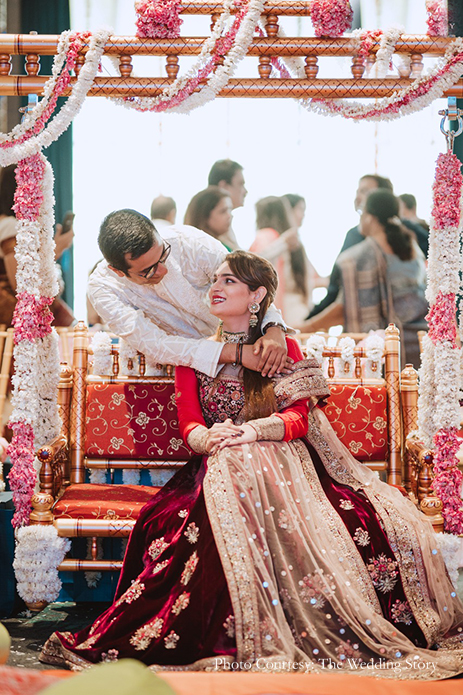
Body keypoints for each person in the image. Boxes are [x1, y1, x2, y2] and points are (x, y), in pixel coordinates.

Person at [41, 250, 463, 678]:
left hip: (287, 462)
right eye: (215, 281)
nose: (215, 288)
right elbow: (189, 420)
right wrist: (211, 437)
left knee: (354, 516)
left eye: (228, 282)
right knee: (179, 520)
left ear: (257, 295)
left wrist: (253, 432)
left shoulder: (284, 347)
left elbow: (300, 417)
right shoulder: (199, 353)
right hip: (219, 461)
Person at [87, 209, 289, 378]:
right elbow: (155, 344)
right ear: (118, 271)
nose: (162, 270)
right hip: (183, 370)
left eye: (163, 255)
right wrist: (235, 353)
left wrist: (274, 328)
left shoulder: (189, 243)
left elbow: (246, 284)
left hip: (253, 347)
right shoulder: (103, 288)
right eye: (148, 271)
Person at [300, 190, 428, 367]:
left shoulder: (358, 257)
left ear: (370, 217)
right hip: (420, 343)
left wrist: (307, 327)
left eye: (362, 212)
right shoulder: (412, 247)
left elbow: (346, 307)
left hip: (385, 352)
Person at [0, 164, 75, 327]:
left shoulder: (20, 227)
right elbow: (22, 285)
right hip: (15, 327)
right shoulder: (9, 226)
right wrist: (56, 250)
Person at [250, 196, 321, 325]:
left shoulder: (268, 236)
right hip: (300, 308)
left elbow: (252, 263)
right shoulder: (288, 240)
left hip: (282, 307)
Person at [208, 159, 247, 251]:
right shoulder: (216, 230)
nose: (245, 191)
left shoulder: (225, 224)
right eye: (240, 184)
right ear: (224, 186)